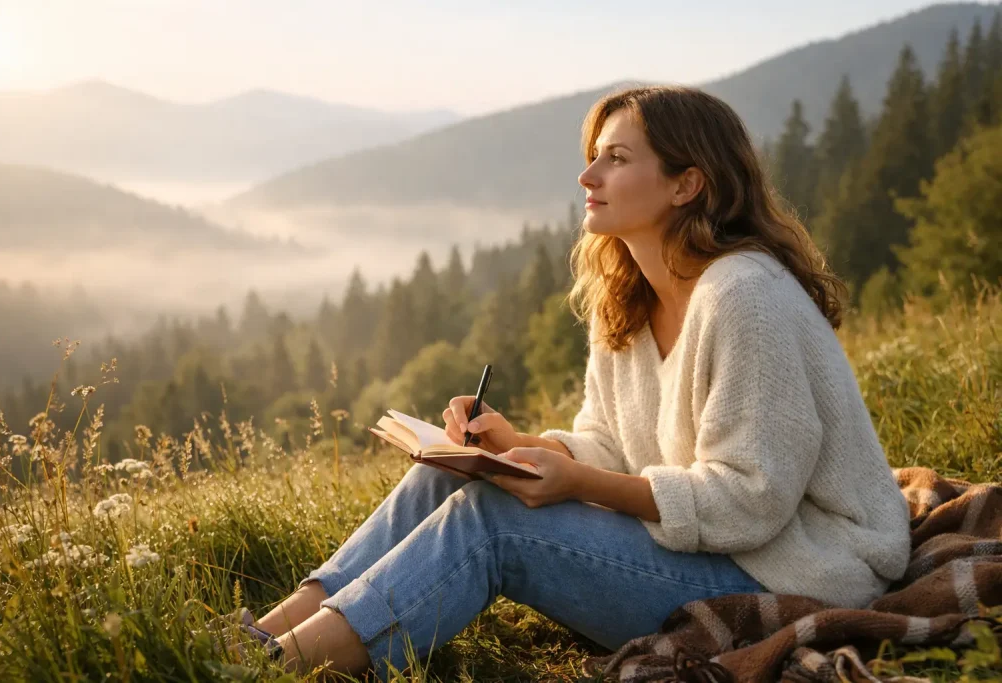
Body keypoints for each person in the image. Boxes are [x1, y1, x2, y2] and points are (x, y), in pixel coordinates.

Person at [231, 85, 912, 679]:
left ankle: (280, 668)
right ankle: (262, 634)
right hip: (711, 546)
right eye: (593, 156)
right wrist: (519, 445)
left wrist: (576, 484)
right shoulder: (630, 294)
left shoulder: (745, 296)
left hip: (794, 571)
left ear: (687, 183)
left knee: (493, 522)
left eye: (616, 158)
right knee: (453, 474)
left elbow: (749, 499)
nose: (588, 175)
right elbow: (611, 445)